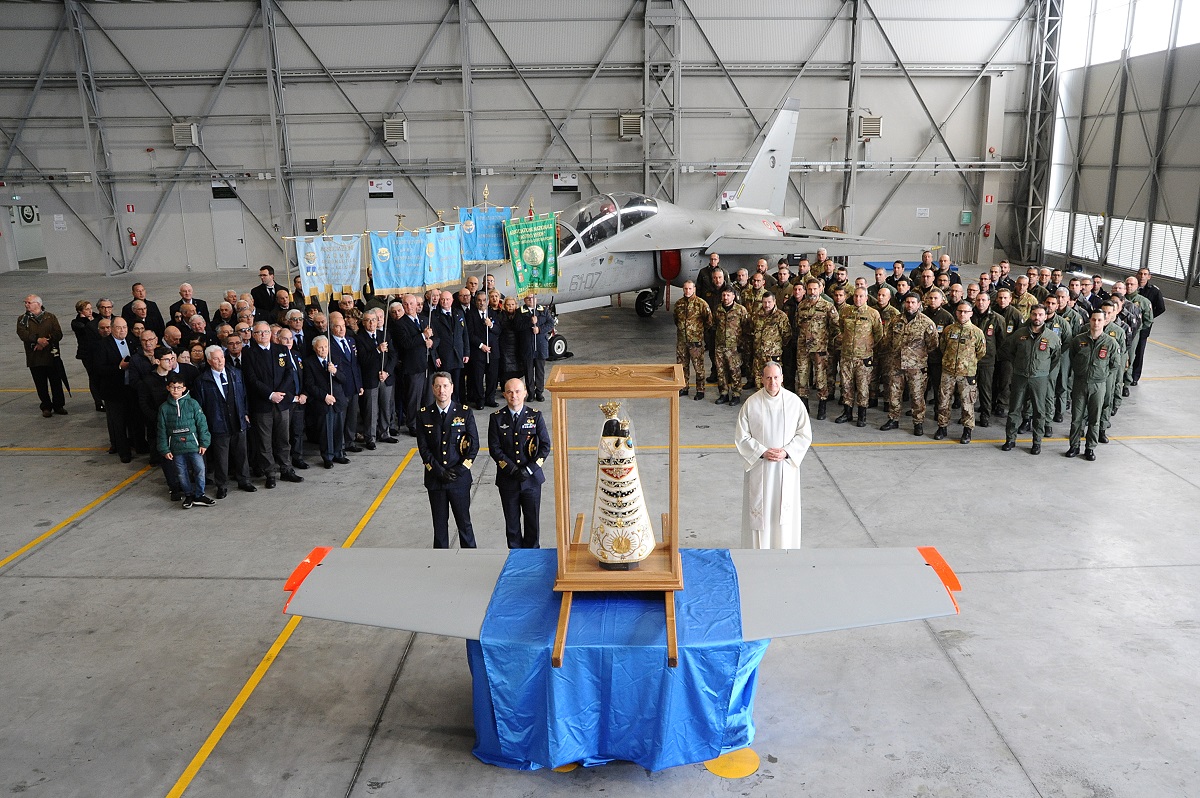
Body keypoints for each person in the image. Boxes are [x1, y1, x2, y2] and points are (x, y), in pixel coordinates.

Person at [734, 362, 812, 549]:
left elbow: (804, 434)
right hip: (761, 467)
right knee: (761, 511)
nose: (772, 382)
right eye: (768, 378)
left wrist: (786, 452)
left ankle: (785, 550)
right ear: (762, 379)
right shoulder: (751, 404)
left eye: (776, 377)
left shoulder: (794, 403)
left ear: (782, 378)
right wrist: (761, 451)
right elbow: (742, 436)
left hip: (785, 467)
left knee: (783, 513)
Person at [416, 372, 479, 549]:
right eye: (437, 386)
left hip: (459, 480)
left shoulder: (465, 413)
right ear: (432, 389)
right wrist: (438, 471)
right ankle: (440, 564)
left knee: (464, 524)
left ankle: (470, 559)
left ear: (452, 388)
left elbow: (473, 447)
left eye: (445, 386)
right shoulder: (424, 415)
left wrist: (459, 471)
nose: (441, 390)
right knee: (440, 526)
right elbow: (424, 449)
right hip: (435, 480)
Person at [488, 378, 551, 549]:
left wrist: (529, 469)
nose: (513, 395)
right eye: (509, 392)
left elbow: (545, 446)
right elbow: (495, 449)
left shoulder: (535, 416)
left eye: (517, 391)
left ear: (525, 393)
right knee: (512, 524)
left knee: (532, 523)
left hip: (531, 481)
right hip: (508, 480)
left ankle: (532, 558)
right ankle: (515, 558)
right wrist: (513, 469)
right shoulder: (496, 418)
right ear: (504, 394)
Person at [242, 321, 304, 488]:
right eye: (259, 332)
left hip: (281, 403)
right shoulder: (248, 353)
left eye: (266, 332)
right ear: (254, 335)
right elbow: (251, 379)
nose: (263, 335)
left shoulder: (281, 350)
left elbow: (290, 373)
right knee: (264, 441)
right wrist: (270, 395)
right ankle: (270, 473)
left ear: (271, 333)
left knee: (284, 439)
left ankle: (286, 469)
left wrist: (280, 394)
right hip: (263, 405)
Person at [193, 345, 256, 498]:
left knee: (242, 454)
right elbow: (200, 406)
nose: (220, 361)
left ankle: (244, 480)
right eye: (216, 358)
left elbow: (244, 396)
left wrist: (245, 413)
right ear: (209, 361)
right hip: (218, 424)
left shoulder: (236, 373)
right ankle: (222, 485)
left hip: (238, 420)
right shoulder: (202, 381)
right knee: (221, 458)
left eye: (221, 357)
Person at [1001, 305, 1060, 455]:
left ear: (1045, 316)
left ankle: (1037, 442)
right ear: (1030, 315)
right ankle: (1010, 439)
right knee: (1014, 409)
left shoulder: (1052, 337)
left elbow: (1055, 358)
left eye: (1040, 315)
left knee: (1039, 411)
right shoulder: (1019, 334)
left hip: (1039, 378)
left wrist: (1042, 370)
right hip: (1020, 376)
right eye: (1034, 314)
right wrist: (1019, 365)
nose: (1037, 318)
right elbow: (1009, 351)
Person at [1065, 309, 1120, 461]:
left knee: (1095, 418)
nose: (1096, 323)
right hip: (1080, 383)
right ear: (1090, 320)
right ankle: (1074, 446)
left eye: (1099, 320)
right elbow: (1072, 357)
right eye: (1094, 320)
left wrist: (1101, 375)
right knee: (1077, 417)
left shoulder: (1110, 343)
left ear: (1104, 322)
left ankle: (1090, 448)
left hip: (1098, 385)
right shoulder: (1078, 340)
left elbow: (1115, 365)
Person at [156, 374, 215, 509]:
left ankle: (199, 495)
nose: (176, 390)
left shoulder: (193, 403)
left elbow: (202, 424)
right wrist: (165, 449)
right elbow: (161, 430)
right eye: (173, 387)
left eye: (179, 387)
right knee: (181, 473)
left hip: (194, 446)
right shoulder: (164, 408)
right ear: (168, 388)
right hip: (176, 448)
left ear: (184, 388)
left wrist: (204, 443)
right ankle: (188, 495)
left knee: (200, 469)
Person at [934, 302, 987, 444]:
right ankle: (942, 427)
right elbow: (943, 346)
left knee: (967, 402)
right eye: (960, 311)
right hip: (948, 371)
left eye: (966, 312)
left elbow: (981, 352)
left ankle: (967, 430)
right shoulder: (949, 330)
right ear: (956, 313)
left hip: (967, 373)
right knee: (944, 400)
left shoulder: (976, 332)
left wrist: (968, 363)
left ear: (971, 313)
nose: (962, 314)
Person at [303, 335, 350, 468]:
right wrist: (324, 396)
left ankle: (339, 453)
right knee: (326, 431)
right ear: (314, 348)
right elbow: (310, 385)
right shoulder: (309, 363)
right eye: (320, 347)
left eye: (326, 347)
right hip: (323, 401)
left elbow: (343, 379)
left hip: (338, 400)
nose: (324, 350)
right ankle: (327, 457)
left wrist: (334, 372)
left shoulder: (335, 359)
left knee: (338, 429)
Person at [17, 294, 67, 418]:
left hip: (51, 355)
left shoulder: (50, 317)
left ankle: (58, 405)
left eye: (29, 302)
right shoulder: (23, 319)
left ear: (38, 304)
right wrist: (37, 340)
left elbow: (58, 333)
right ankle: (46, 406)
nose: (26, 305)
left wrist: (45, 342)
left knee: (56, 382)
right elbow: (23, 334)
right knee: (40, 384)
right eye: (25, 302)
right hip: (35, 357)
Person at [673, 280, 712, 399]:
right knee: (682, 366)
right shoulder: (679, 304)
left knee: (698, 367)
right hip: (682, 341)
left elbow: (709, 321)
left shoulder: (701, 304)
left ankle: (700, 390)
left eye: (690, 289)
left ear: (694, 289)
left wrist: (698, 331)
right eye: (685, 288)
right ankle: (684, 388)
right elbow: (676, 320)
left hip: (695, 342)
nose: (687, 291)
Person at [712, 286, 749, 406]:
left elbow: (746, 327)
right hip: (720, 345)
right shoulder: (717, 309)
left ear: (734, 296)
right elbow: (713, 325)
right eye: (724, 295)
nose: (726, 298)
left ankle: (736, 394)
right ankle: (723, 393)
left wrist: (742, 344)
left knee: (735, 371)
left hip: (734, 346)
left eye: (728, 295)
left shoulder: (740, 310)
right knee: (721, 371)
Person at [72, 300, 104, 412]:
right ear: (80, 311)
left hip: (99, 351)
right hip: (87, 354)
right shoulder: (77, 322)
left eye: (91, 308)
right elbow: (88, 329)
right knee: (93, 376)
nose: (90, 311)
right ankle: (98, 402)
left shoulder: (97, 317)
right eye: (87, 309)